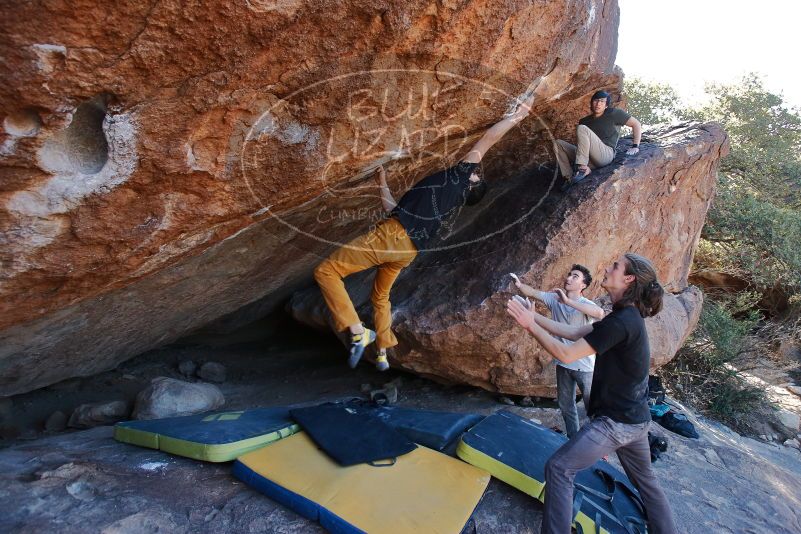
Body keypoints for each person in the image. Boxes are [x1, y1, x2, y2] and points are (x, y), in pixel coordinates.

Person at [314, 92, 536, 372]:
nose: (476, 169)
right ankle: (383, 348)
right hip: (406, 250)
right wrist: (382, 180)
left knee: (327, 271)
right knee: (380, 297)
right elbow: (392, 207)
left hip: (391, 238)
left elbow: (489, 139)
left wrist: (518, 116)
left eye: (476, 174)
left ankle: (358, 331)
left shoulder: (458, 179)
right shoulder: (444, 200)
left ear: (471, 185)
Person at [506, 253, 678, 534]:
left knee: (560, 469)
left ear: (629, 279)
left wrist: (529, 324)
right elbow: (573, 333)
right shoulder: (624, 317)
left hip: (616, 423)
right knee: (646, 482)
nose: (607, 269)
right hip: (636, 420)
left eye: (615, 267)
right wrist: (534, 316)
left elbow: (566, 352)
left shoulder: (621, 322)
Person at [512, 265, 604, 438]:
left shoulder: (585, 304)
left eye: (575, 276)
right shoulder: (554, 299)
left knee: (593, 408)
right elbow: (532, 292)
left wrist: (569, 302)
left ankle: (598, 443)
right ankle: (573, 439)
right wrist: (519, 285)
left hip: (585, 367)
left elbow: (599, 313)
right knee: (566, 406)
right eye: (569, 274)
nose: (569, 278)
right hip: (563, 362)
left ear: (583, 285)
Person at [553, 90, 642, 189]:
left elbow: (636, 124)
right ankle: (569, 178)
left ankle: (582, 168)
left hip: (605, 154)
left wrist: (635, 146)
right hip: (589, 157)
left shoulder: (614, 113)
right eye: (595, 101)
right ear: (591, 103)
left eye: (602, 101)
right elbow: (582, 144)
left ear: (606, 105)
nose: (598, 104)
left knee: (582, 128)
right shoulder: (584, 121)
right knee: (558, 144)